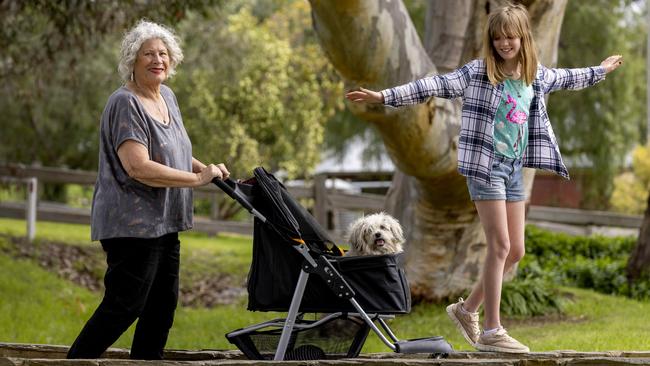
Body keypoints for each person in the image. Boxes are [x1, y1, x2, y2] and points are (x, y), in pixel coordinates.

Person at [345, 2, 622, 354]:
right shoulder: (477, 73)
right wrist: (384, 95)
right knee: (500, 246)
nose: (504, 43)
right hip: (485, 167)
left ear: (523, 38)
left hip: (513, 169)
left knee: (516, 251)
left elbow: (570, 77)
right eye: (498, 38)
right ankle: (492, 331)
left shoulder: (535, 76)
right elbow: (432, 84)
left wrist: (601, 69)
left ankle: (465, 309)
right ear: (490, 41)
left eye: (511, 37)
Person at [67, 20, 229, 360]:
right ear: (132, 61)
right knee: (124, 306)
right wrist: (197, 181)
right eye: (148, 54)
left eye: (163, 53)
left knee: (161, 307)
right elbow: (138, 166)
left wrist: (204, 169)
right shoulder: (125, 103)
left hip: (165, 222)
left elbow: (173, 148)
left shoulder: (166, 96)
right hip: (132, 225)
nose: (158, 60)